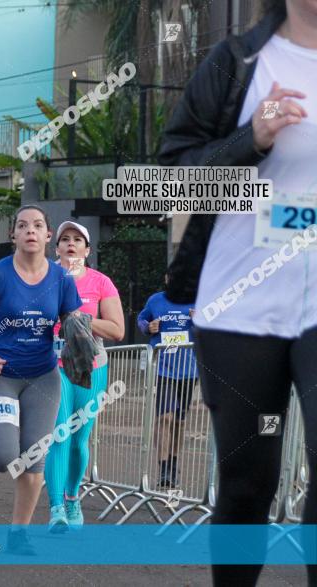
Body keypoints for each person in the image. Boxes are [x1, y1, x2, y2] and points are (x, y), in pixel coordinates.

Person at [159, 1, 316, 583]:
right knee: (250, 480)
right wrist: (254, 136)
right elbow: (174, 176)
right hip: (241, 304)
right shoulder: (238, 62)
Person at [0, 205, 81, 550]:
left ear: (47, 236)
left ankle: (18, 533)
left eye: (38, 225)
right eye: (23, 225)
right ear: (13, 234)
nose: (30, 230)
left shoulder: (60, 279)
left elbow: (72, 322)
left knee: (34, 456)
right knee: (4, 456)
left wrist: (82, 344)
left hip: (43, 377)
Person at [43, 221, 125, 531]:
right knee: (59, 434)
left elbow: (117, 330)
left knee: (78, 441)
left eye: (78, 239)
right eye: (65, 239)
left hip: (91, 368)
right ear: (57, 247)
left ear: (87, 250)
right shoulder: (43, 279)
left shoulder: (101, 282)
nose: (71, 244)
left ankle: (73, 497)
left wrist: (82, 319)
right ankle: (56, 510)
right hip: (53, 366)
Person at [137, 277, 197, 489]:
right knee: (164, 417)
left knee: (179, 421)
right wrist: (148, 327)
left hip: (189, 370)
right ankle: (163, 469)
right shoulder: (156, 300)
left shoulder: (198, 300)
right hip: (163, 368)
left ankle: (173, 464)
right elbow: (142, 320)